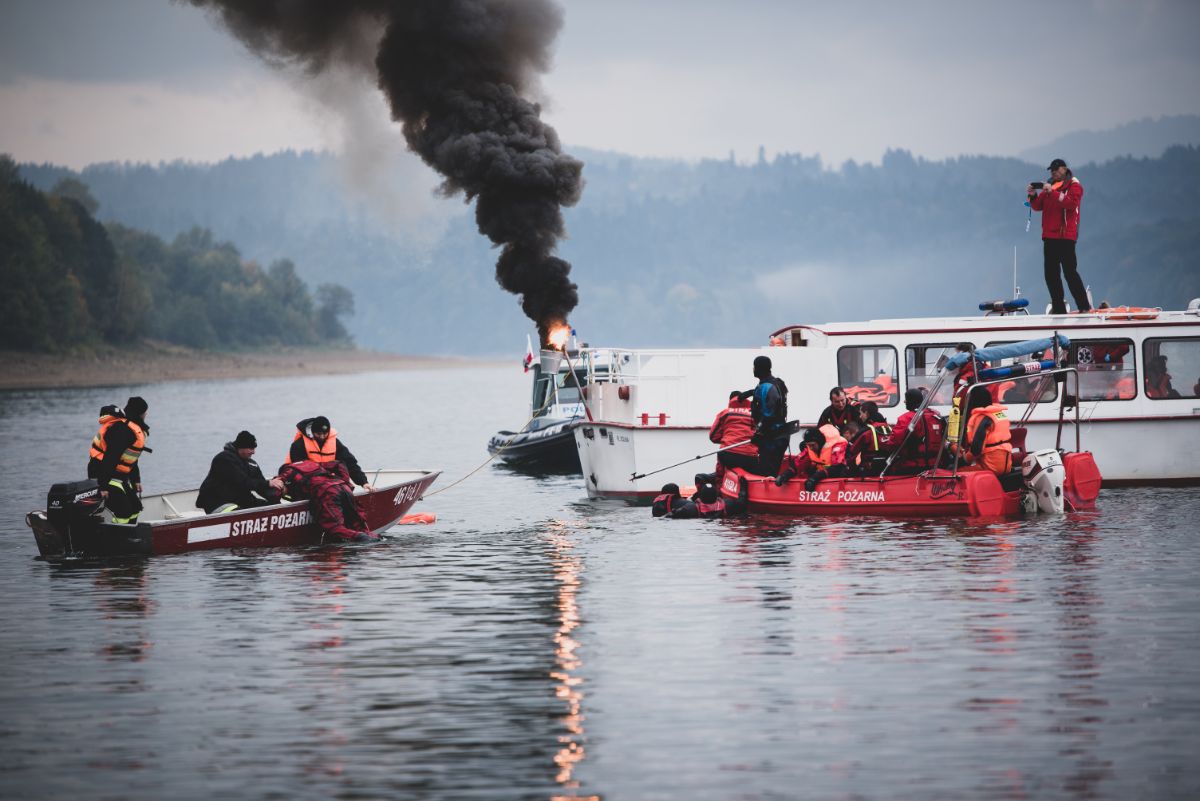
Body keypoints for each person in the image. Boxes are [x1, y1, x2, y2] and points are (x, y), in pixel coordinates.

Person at [1028, 158, 1091, 315]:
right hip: (1049, 237)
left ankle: (1084, 306)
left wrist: (1053, 192)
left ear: (1065, 169)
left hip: (1066, 237)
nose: (1053, 172)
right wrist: (1033, 195)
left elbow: (1071, 204)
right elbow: (1037, 207)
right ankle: (1059, 308)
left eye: (1056, 169)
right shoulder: (1050, 186)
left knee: (1070, 272)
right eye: (1051, 169)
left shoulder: (1074, 186)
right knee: (1051, 275)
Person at [87, 396, 150, 524]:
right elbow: (111, 458)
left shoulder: (132, 428)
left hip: (117, 475)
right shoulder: (122, 430)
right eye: (145, 411)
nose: (146, 414)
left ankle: (131, 537)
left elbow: (130, 458)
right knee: (124, 511)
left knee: (135, 508)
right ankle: (119, 539)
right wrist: (103, 486)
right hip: (102, 473)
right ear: (140, 413)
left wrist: (135, 480)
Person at [277, 459, 374, 541]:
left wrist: (276, 498)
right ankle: (374, 538)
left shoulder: (287, 471)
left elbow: (276, 487)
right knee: (357, 525)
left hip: (327, 492)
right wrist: (347, 483)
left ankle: (361, 537)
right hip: (343, 487)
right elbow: (339, 463)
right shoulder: (313, 464)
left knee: (334, 528)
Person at [196, 430, 282, 514]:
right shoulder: (223, 459)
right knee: (241, 512)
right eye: (251, 448)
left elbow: (261, 485)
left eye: (254, 448)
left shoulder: (252, 464)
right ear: (241, 447)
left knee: (272, 508)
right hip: (217, 503)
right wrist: (268, 483)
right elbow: (243, 482)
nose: (253, 452)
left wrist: (278, 493)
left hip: (239, 500)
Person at [287, 416, 374, 490]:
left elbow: (350, 464)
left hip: (327, 484)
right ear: (312, 432)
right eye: (319, 434)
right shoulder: (299, 445)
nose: (322, 437)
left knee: (341, 469)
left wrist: (363, 482)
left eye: (325, 434)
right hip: (305, 483)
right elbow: (298, 470)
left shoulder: (335, 443)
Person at [747, 356, 790, 476]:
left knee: (768, 472)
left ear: (758, 368)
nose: (753, 369)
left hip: (772, 438)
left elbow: (768, 415)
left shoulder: (765, 387)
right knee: (773, 468)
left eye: (754, 367)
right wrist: (749, 393)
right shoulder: (777, 383)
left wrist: (758, 433)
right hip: (781, 435)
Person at [886, 388, 945, 473]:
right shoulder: (936, 416)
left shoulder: (906, 418)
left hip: (913, 466)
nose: (904, 402)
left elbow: (893, 443)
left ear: (910, 401)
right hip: (936, 465)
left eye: (906, 399)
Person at [775, 425, 848, 492]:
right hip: (822, 477)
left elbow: (838, 467)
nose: (811, 448)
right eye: (808, 445)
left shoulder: (837, 446)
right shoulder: (810, 449)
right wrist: (785, 475)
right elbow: (798, 463)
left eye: (812, 445)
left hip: (839, 478)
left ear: (819, 442)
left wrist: (816, 477)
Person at [963, 385, 1013, 474]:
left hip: (989, 468)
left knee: (956, 472)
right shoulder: (999, 414)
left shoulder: (982, 417)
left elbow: (976, 450)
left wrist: (964, 459)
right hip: (1006, 466)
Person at [707, 391, 759, 476]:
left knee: (721, 475)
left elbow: (713, 436)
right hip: (750, 455)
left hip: (728, 452)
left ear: (730, 401)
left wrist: (728, 438)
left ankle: (720, 486)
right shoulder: (755, 414)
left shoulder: (725, 413)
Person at [845, 402, 892, 474]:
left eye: (861, 413)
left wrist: (851, 470)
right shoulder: (889, 428)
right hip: (889, 470)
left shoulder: (866, 431)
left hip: (870, 472)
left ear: (866, 413)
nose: (860, 416)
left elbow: (851, 452)